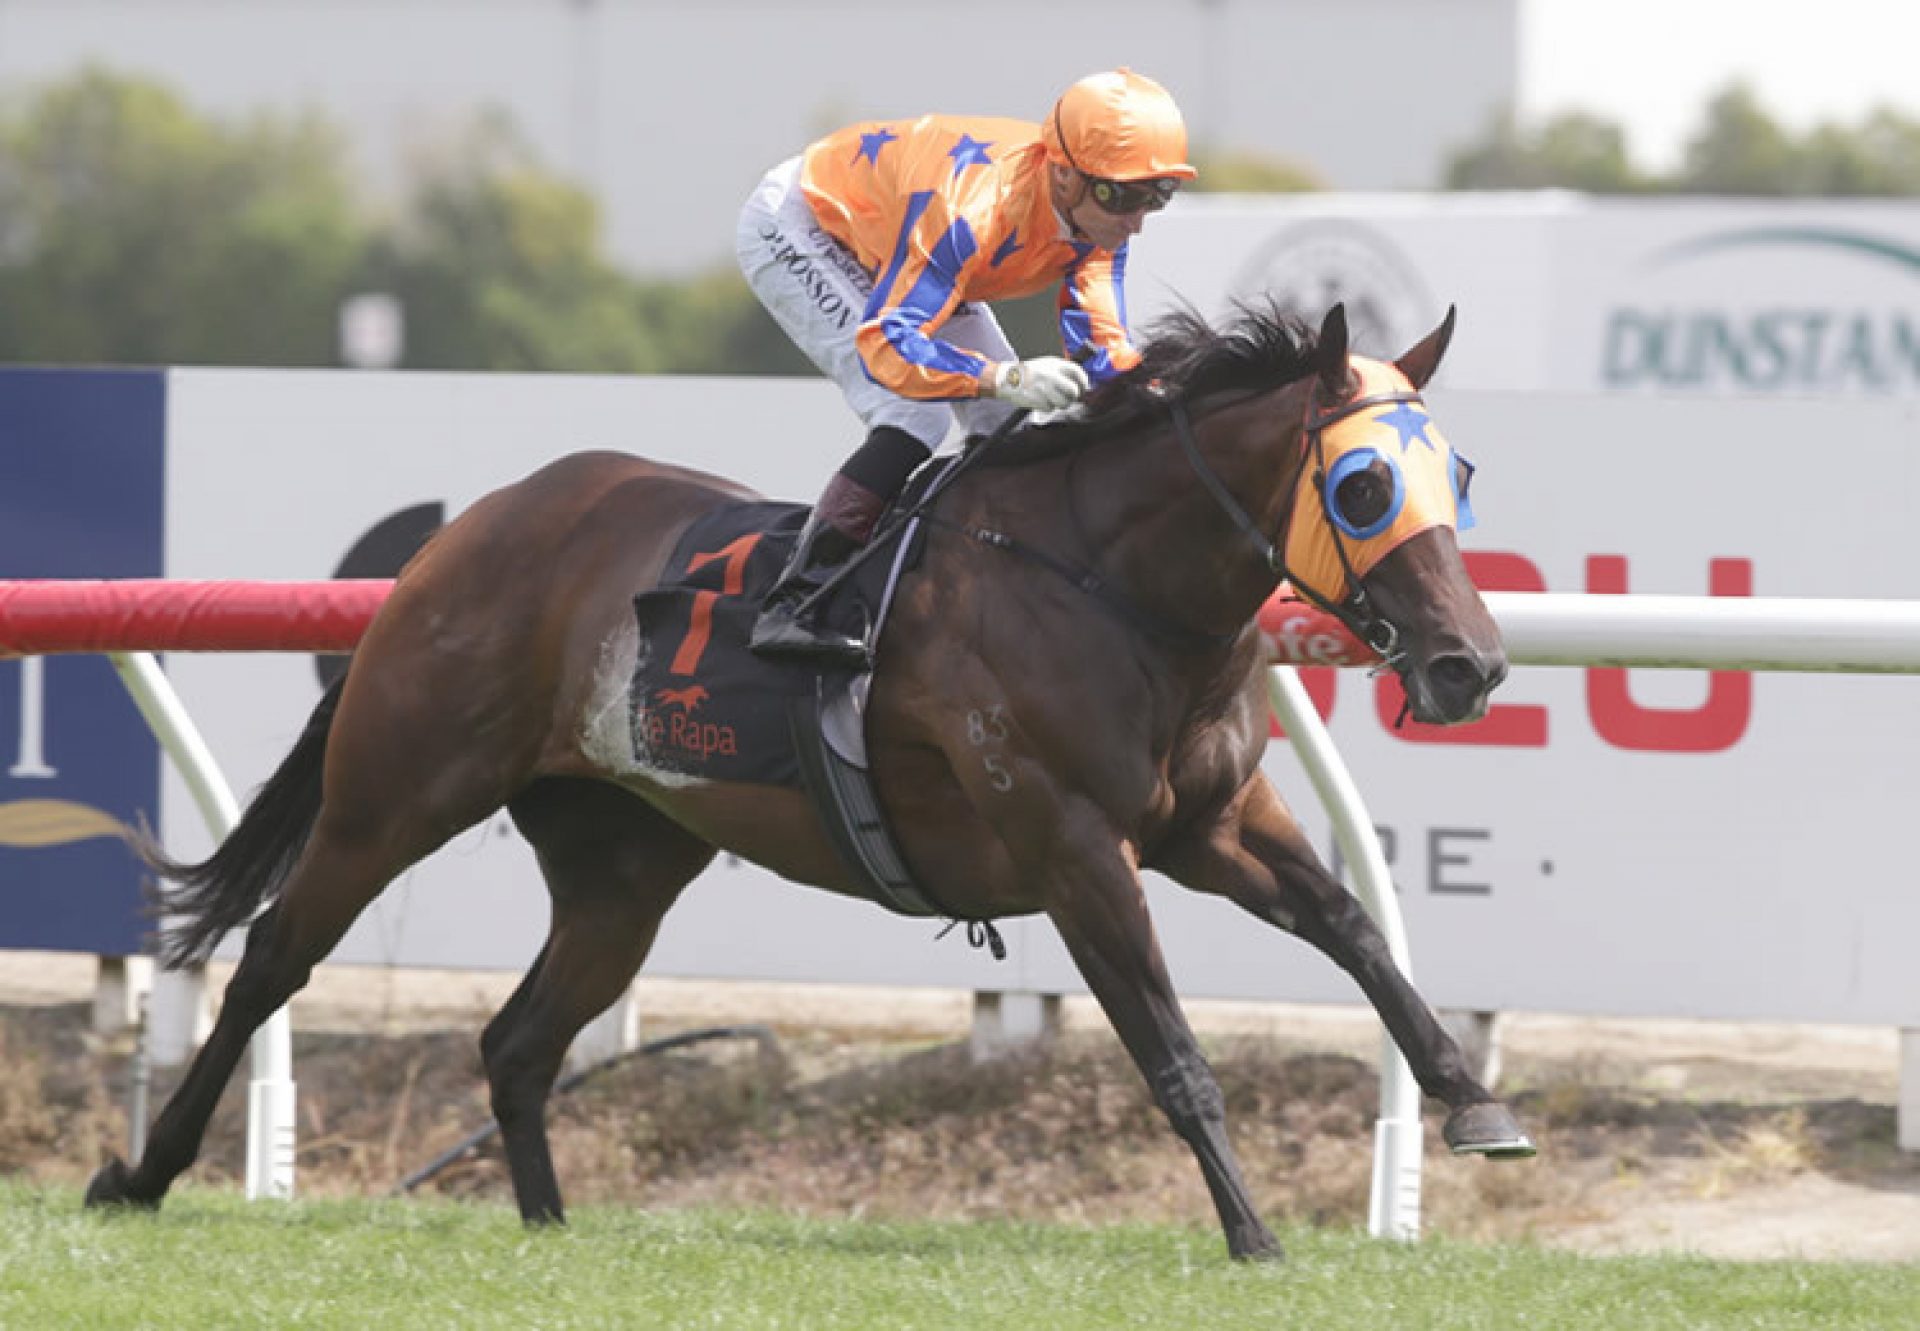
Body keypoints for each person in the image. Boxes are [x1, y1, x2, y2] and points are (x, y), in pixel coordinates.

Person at [735, 67, 1197, 668]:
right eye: (1122, 196)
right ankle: (797, 602)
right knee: (914, 415)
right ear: (1062, 174)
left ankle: (975, 579)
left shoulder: (1098, 220)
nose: (1136, 219)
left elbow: (1103, 349)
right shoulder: (972, 210)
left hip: (900, 243)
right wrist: (1003, 377)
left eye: (1157, 194)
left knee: (1007, 424)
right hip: (804, 225)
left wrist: (1172, 404)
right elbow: (889, 343)